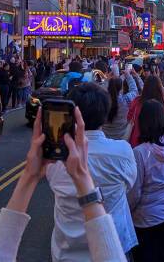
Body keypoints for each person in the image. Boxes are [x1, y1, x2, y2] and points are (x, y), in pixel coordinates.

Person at [0, 108, 126, 262]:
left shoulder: (54, 165)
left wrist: (29, 175)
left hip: (62, 252)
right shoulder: (123, 150)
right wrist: (83, 177)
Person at [46, 83, 138, 261]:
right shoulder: (123, 152)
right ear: (104, 117)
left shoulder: (56, 158)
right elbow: (129, 186)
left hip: (67, 251)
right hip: (114, 245)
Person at [128, 100, 164, 262]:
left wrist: (128, 210)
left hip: (144, 218)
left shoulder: (139, 153)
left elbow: (135, 191)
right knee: (162, 254)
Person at [127, 75, 164, 147]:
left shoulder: (137, 101)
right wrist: (158, 81)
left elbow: (129, 118)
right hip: (156, 143)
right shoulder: (163, 103)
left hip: (137, 141)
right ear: (159, 88)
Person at [103, 69, 140, 140]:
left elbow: (101, 90)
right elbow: (134, 90)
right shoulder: (126, 100)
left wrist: (107, 80)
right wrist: (128, 75)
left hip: (105, 137)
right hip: (122, 137)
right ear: (121, 87)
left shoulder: (103, 101)